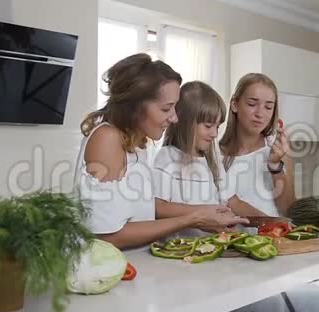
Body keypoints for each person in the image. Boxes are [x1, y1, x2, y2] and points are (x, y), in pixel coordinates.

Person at [74, 53, 248, 250]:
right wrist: (193, 219)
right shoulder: (107, 138)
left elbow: (141, 219)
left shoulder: (138, 144)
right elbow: (107, 238)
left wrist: (201, 216)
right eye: (166, 109)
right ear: (135, 107)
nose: (174, 118)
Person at [153, 81, 265, 238]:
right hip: (180, 252)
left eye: (217, 127)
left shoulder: (213, 159)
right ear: (186, 123)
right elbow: (159, 208)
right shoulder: (167, 157)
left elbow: (233, 202)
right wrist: (204, 213)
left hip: (212, 248)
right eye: (208, 126)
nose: (214, 134)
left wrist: (270, 221)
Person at [219, 73, 296, 217]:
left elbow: (288, 212)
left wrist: (275, 166)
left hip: (270, 237)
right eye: (252, 104)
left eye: (268, 107)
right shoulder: (213, 153)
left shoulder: (278, 151)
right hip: (227, 238)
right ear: (235, 105)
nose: (260, 113)